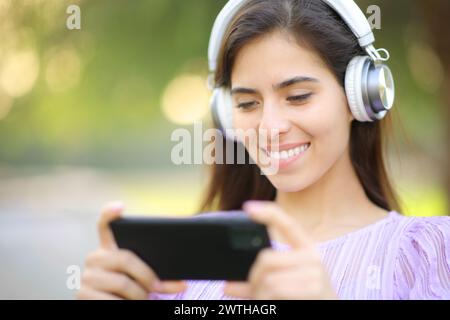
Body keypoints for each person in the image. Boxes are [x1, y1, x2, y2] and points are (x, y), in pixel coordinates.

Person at [77, 0, 450, 300]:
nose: (269, 128)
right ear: (226, 116)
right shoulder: (183, 258)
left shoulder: (430, 255)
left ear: (360, 96)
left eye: (298, 96)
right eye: (247, 104)